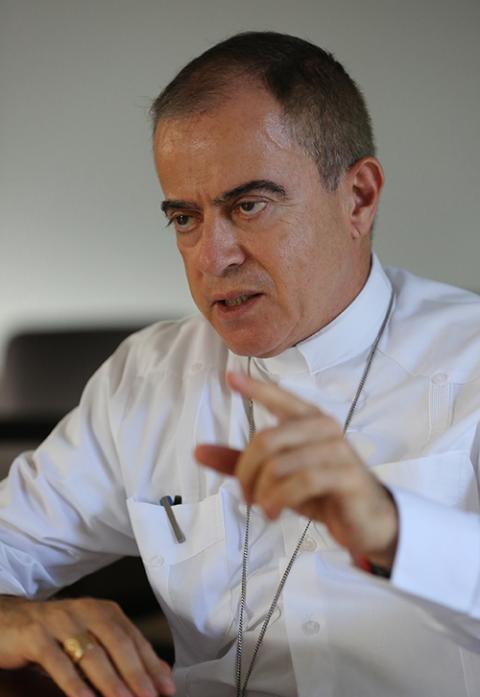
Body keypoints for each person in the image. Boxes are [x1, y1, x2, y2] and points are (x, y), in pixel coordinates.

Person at [0, 30, 479, 697]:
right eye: (185, 218)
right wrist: (12, 616)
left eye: (248, 205)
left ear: (360, 198)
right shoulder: (145, 379)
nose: (210, 256)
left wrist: (395, 531)